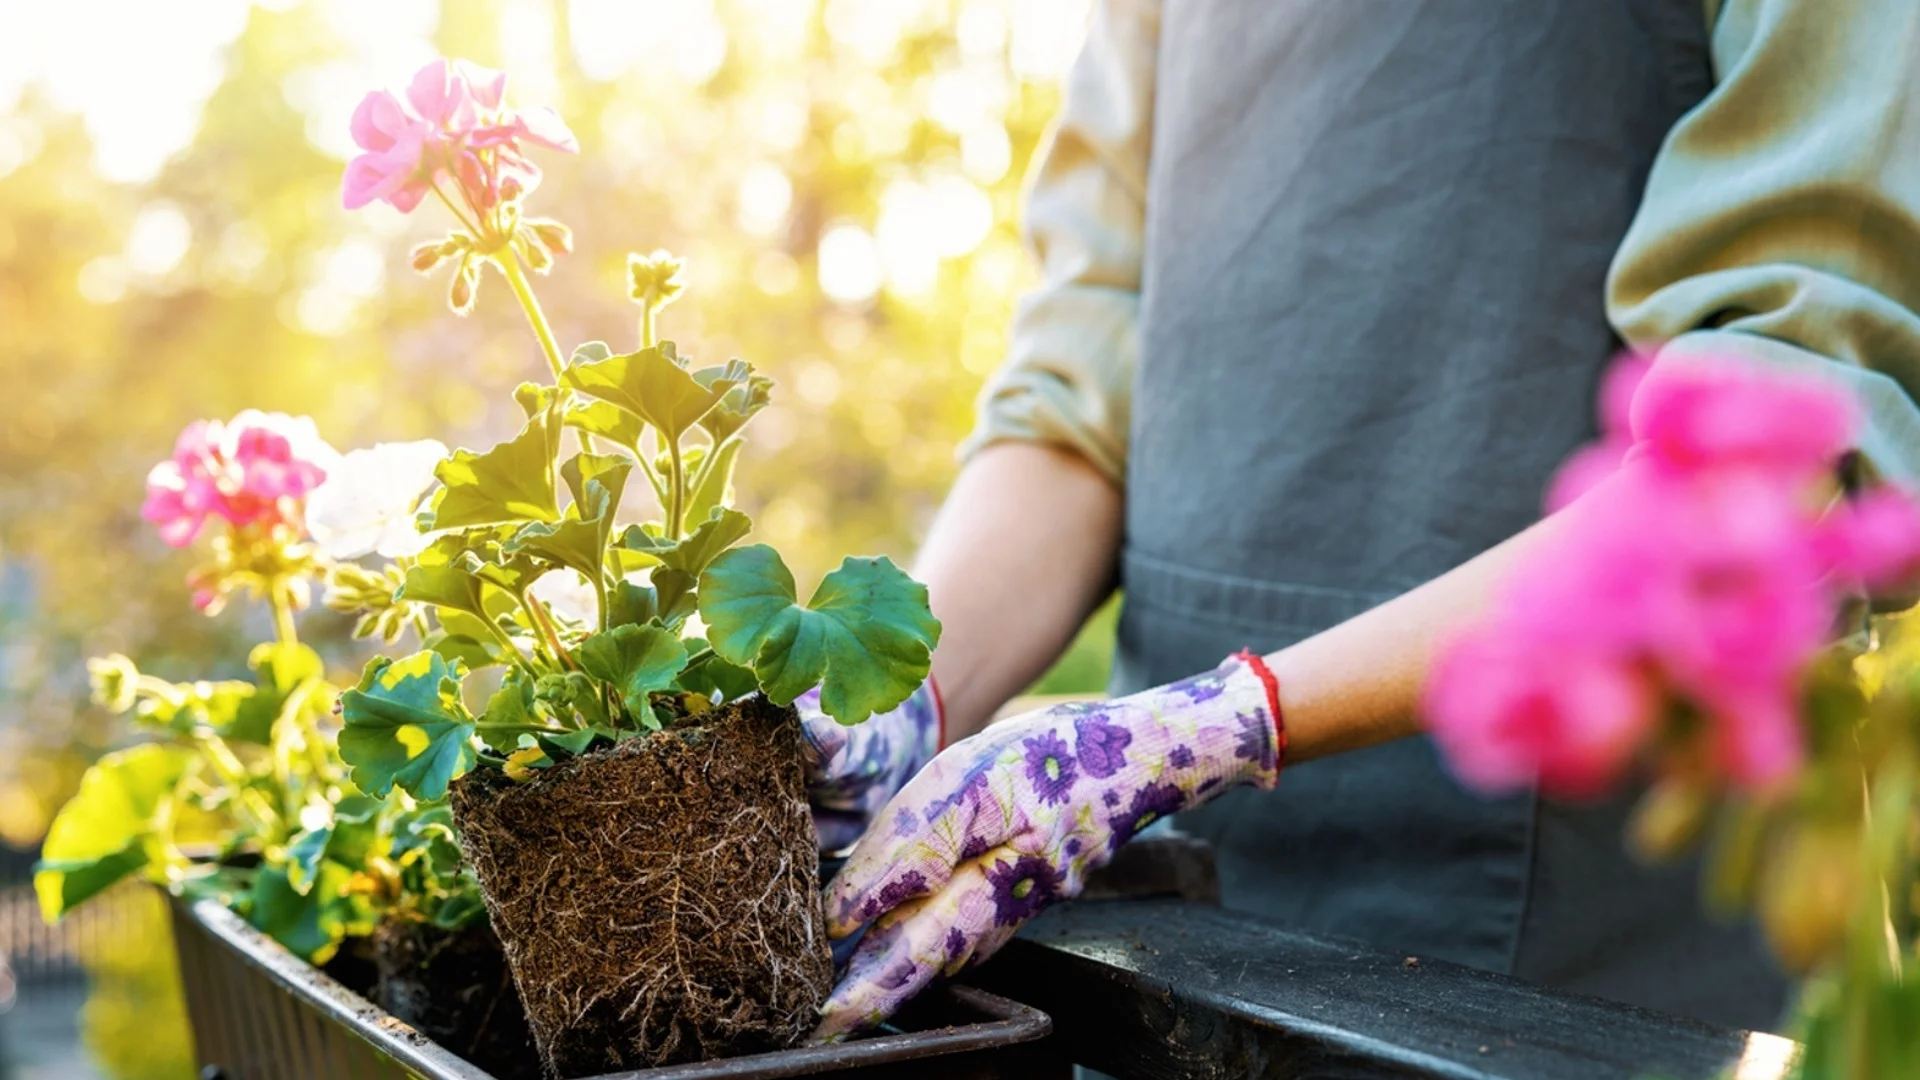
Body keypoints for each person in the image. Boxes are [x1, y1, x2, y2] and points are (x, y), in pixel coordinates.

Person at [798, 0, 1920, 1041]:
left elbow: (1776, 453)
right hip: (1161, 913)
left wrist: (1205, 731)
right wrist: (906, 699)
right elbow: (1076, 404)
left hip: (1573, 960)